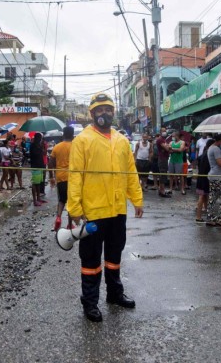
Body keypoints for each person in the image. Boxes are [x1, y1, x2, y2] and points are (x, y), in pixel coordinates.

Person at [68, 92, 144, 323]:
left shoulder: (121, 140)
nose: (104, 113)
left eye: (108, 109)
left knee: (114, 256)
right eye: (99, 110)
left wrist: (137, 199)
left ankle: (115, 294)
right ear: (92, 114)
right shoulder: (82, 140)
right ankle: (90, 302)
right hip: (93, 213)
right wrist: (74, 207)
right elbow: (75, 176)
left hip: (117, 211)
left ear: (113, 112)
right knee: (90, 260)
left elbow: (130, 172)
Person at [48, 126, 74, 230]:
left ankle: (58, 218)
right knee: (71, 202)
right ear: (72, 135)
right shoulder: (75, 146)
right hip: (73, 177)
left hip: (60, 177)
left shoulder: (57, 147)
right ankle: (69, 224)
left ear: (63, 134)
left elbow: (50, 163)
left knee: (61, 200)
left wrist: (51, 177)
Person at [195, 139, 215, 224]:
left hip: (201, 177)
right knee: (203, 196)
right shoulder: (208, 155)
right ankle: (199, 217)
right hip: (205, 178)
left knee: (205, 196)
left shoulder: (203, 154)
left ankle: (207, 214)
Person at [30, 133, 46, 207]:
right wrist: (40, 149)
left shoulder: (39, 145)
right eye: (40, 138)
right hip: (35, 166)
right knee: (35, 183)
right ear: (38, 138)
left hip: (40, 166)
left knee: (39, 182)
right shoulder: (33, 145)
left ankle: (38, 198)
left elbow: (42, 154)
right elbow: (35, 155)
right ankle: (34, 200)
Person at [156, 127, 171, 197]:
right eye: (163, 131)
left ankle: (161, 190)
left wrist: (168, 147)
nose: (165, 132)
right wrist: (168, 147)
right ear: (160, 132)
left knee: (163, 174)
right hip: (162, 159)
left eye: (165, 131)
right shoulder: (160, 140)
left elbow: (168, 148)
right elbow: (167, 148)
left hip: (164, 158)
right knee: (162, 175)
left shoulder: (164, 140)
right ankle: (162, 191)